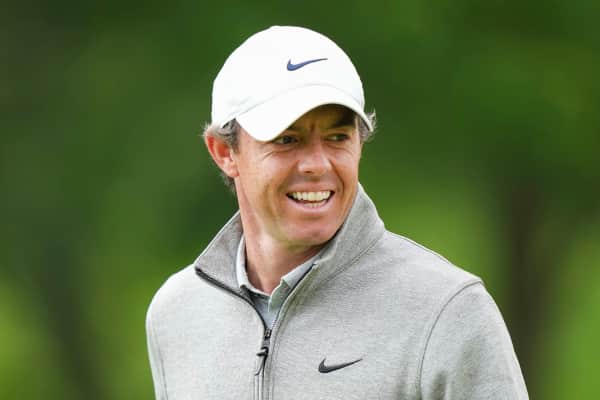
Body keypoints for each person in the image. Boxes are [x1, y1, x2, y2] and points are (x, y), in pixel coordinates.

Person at [146, 25, 528, 399]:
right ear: (225, 152)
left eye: (337, 137)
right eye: (287, 139)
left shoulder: (448, 309)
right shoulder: (177, 314)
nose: (317, 164)